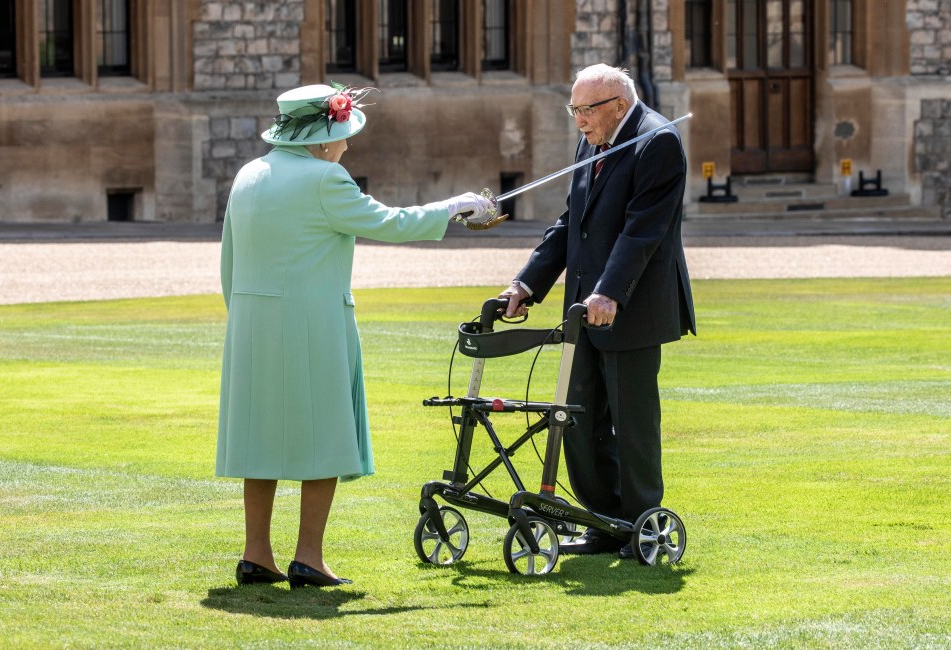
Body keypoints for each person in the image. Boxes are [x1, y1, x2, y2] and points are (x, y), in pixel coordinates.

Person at [216, 82, 495, 588]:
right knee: (323, 435)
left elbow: (228, 262)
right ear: (322, 139)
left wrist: (245, 317)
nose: (346, 145)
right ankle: (309, 557)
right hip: (312, 322)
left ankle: (256, 554)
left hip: (251, 326)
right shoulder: (326, 179)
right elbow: (390, 222)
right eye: (342, 136)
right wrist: (456, 205)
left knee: (260, 441)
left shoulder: (248, 174)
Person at [499, 64, 696, 559]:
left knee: (632, 424)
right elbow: (573, 223)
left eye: (587, 110)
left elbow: (642, 230)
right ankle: (603, 521)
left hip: (630, 307)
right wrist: (526, 283)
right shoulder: (594, 139)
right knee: (576, 421)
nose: (579, 121)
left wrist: (609, 292)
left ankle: (641, 525)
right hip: (580, 310)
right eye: (575, 110)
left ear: (619, 106)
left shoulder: (658, 142)